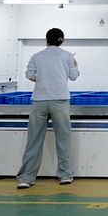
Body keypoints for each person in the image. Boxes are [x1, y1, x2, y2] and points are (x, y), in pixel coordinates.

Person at [16, 28, 80, 189]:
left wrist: (42, 80)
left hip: (39, 100)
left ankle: (26, 178)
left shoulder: (36, 56)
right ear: (62, 41)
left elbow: (29, 75)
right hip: (60, 100)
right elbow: (73, 76)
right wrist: (75, 65)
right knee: (63, 139)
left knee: (34, 140)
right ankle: (65, 175)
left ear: (46, 40)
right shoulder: (68, 56)